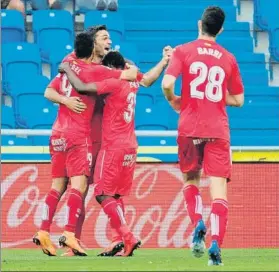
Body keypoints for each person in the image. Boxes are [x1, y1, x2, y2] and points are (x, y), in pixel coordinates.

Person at [32, 32, 138, 257]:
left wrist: (64, 94)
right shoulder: (95, 70)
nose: (106, 43)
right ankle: (70, 234)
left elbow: (49, 89)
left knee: (57, 186)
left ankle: (43, 230)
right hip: (80, 135)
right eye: (102, 39)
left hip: (58, 133)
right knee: (81, 188)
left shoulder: (69, 64)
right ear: (92, 48)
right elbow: (130, 74)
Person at [162, 6, 244, 266]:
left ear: (200, 24)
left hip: (189, 126)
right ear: (220, 29)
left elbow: (166, 84)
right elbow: (239, 100)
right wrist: (219, 98)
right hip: (217, 129)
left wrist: (175, 100)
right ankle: (216, 244)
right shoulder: (228, 58)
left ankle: (198, 222)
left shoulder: (183, 51)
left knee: (191, 179)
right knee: (218, 190)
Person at [59, 50, 151, 257]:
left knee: (101, 192)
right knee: (116, 194)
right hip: (130, 145)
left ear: (110, 69)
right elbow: (146, 76)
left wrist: (66, 69)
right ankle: (121, 239)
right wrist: (162, 61)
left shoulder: (113, 83)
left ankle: (128, 236)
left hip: (113, 146)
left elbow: (82, 87)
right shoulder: (134, 83)